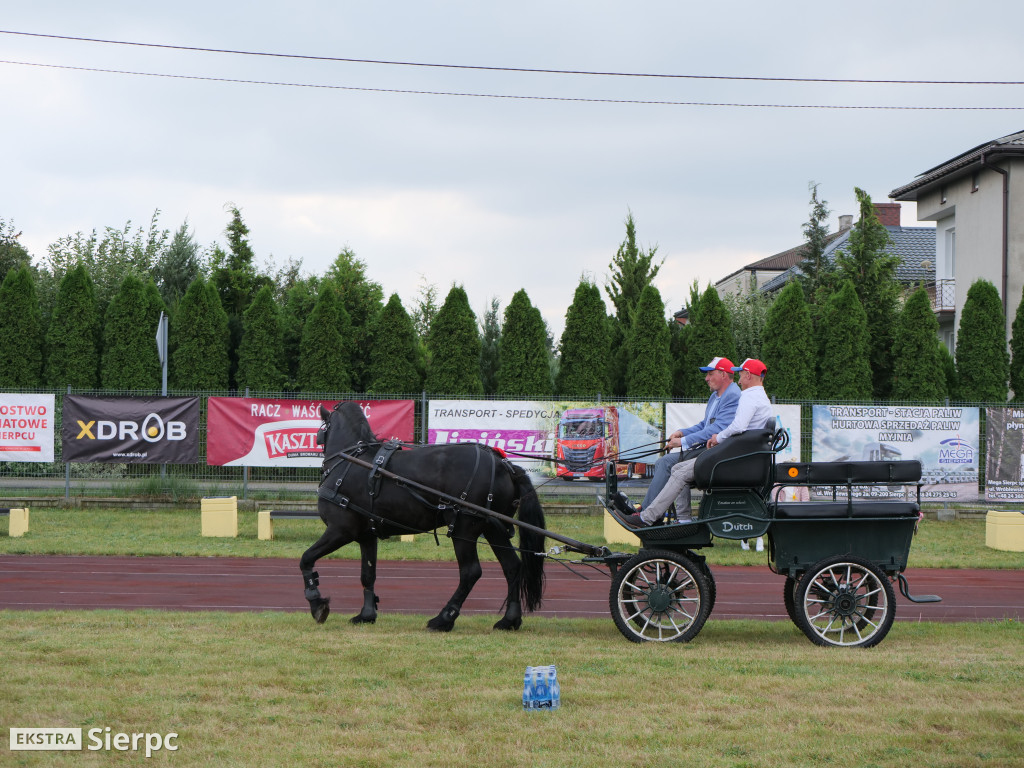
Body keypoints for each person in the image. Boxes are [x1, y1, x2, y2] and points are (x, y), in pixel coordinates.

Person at [621, 358, 773, 528]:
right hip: (734, 455)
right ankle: (680, 519)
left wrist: (716, 438)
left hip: (729, 458)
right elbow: (710, 426)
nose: (738, 379)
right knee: (677, 468)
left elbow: (736, 427)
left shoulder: (746, 397)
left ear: (748, 375)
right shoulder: (756, 397)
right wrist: (684, 433)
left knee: (674, 469)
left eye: (741, 374)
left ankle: (647, 517)